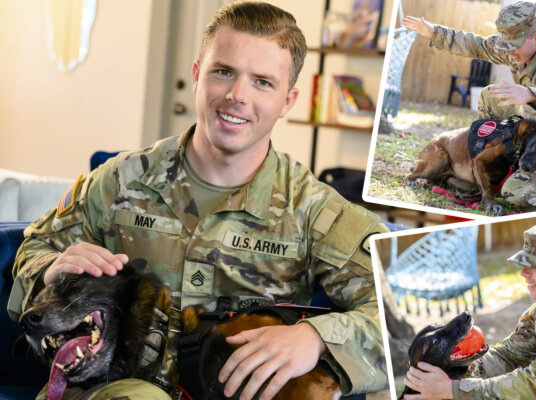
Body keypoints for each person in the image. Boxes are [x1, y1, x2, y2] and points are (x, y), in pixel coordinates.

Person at [7, 1, 388, 399]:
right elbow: (36, 245)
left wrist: (317, 338)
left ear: (287, 102)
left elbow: (409, 309)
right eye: (223, 72)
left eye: (262, 82)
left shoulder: (312, 211)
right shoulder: (120, 181)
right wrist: (49, 268)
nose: (237, 96)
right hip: (112, 387)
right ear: (196, 76)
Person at [402, 1, 536, 212]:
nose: (509, 52)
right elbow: (478, 45)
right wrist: (434, 32)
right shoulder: (516, 47)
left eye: (514, 46)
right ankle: (485, 164)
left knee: (515, 193)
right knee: (490, 96)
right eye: (506, 45)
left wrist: (530, 94)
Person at [404, 221, 536, 399]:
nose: (524, 272)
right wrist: (441, 369)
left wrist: (453, 390)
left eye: (535, 265)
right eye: (524, 264)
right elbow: (508, 357)